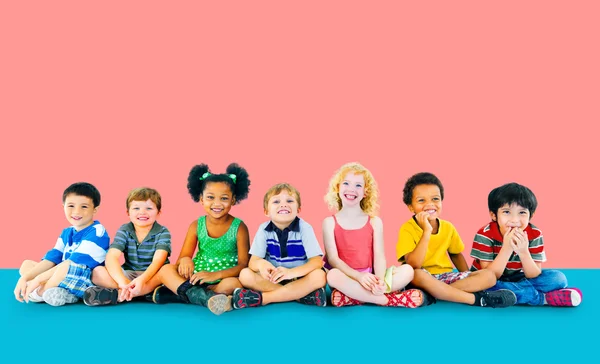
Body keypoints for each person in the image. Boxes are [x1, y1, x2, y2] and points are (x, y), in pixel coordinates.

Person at [397, 172, 516, 308]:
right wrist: (427, 231)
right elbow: (413, 265)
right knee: (416, 274)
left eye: (435, 199)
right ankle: (475, 299)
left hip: (445, 277)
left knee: (489, 276)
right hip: (422, 278)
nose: (430, 204)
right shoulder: (407, 229)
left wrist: (469, 276)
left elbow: (456, 254)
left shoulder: (448, 227)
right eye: (421, 200)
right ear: (410, 207)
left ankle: (436, 294)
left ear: (442, 200)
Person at [151, 163, 251, 315]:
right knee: (166, 269)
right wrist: (185, 260)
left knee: (233, 284)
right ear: (201, 199)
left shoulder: (239, 227)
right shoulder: (196, 225)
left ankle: (182, 294)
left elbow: (244, 264)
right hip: (196, 276)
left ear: (233, 199)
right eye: (210, 197)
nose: (217, 203)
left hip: (223, 277)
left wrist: (215, 275)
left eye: (224, 198)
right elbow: (182, 258)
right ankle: (205, 298)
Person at [323, 162, 424, 308]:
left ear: (365, 192)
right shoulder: (329, 222)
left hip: (372, 277)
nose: (352, 189)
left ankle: (355, 298)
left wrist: (380, 281)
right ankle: (386, 300)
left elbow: (379, 255)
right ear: (337, 187)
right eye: (346, 183)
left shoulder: (375, 222)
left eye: (358, 185)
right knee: (332, 276)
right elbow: (333, 259)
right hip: (347, 277)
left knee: (408, 270)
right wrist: (359, 277)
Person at [470, 182, 582, 307]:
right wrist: (506, 249)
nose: (515, 220)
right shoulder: (485, 235)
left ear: (531, 215)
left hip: (518, 278)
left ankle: (511, 294)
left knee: (558, 279)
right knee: (483, 287)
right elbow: (489, 275)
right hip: (489, 280)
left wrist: (524, 252)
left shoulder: (534, 234)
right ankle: (542, 298)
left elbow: (534, 274)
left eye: (522, 213)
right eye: (506, 212)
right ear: (493, 215)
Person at [14, 182, 110, 306]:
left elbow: (72, 263)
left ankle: (39, 294)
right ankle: (61, 292)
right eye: (71, 206)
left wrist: (38, 279)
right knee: (26, 264)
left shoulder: (97, 231)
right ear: (63, 206)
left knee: (64, 267)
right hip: (61, 274)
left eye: (84, 207)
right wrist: (25, 278)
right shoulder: (67, 232)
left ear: (95, 209)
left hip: (84, 279)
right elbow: (52, 258)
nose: (76, 212)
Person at [233, 183, 327, 309]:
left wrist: (291, 273)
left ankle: (265, 298)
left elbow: (317, 262)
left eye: (289, 200)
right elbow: (253, 262)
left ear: (298, 209)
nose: (283, 204)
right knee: (245, 274)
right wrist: (262, 265)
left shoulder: (305, 228)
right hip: (273, 279)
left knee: (319, 276)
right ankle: (301, 296)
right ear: (266, 211)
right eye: (276, 201)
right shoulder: (263, 229)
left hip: (299, 278)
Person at [83, 187, 172, 306]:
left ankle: (120, 295)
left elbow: (158, 261)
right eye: (136, 208)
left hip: (153, 275)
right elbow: (112, 257)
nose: (142, 212)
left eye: (149, 208)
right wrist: (123, 282)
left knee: (168, 272)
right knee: (97, 272)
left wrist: (142, 279)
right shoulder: (125, 230)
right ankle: (135, 292)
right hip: (130, 274)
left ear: (158, 213)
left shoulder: (163, 232)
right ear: (128, 213)